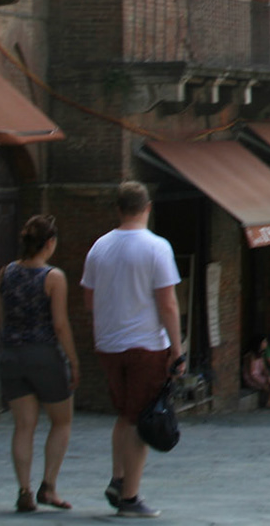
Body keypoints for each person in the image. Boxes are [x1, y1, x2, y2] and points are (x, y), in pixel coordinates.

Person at [82, 181, 183, 518]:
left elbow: (88, 300)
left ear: (118, 208)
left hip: (108, 344)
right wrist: (177, 349)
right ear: (147, 208)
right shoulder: (157, 247)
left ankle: (118, 479)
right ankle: (130, 497)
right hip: (145, 344)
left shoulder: (99, 247)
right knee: (142, 419)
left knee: (126, 413)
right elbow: (167, 303)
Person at [0, 214, 79, 511]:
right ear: (50, 243)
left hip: (12, 354)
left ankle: (24, 490)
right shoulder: (53, 277)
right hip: (44, 353)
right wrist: (73, 360)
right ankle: (49, 487)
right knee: (62, 420)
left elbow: (0, 317)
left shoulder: (5, 272)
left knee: (23, 425)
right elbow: (60, 325)